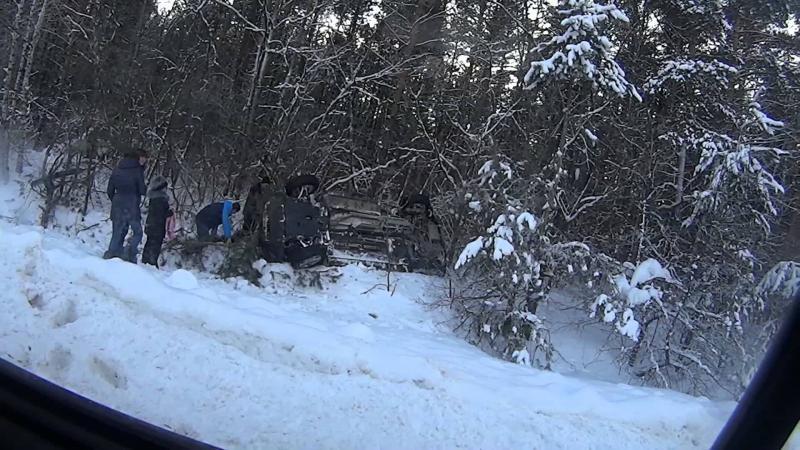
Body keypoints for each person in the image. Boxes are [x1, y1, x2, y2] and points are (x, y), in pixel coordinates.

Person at [104, 150, 147, 262]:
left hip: (117, 204)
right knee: (137, 232)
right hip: (132, 204)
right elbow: (142, 190)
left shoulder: (116, 170)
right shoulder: (137, 171)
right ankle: (129, 252)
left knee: (117, 232)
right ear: (137, 158)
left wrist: (115, 200)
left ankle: (112, 253)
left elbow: (109, 190)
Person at [141, 175, 174, 267]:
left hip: (151, 224)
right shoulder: (161, 199)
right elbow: (160, 213)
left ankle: (145, 260)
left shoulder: (153, 197)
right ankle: (151, 263)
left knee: (149, 242)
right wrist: (169, 213)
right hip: (157, 226)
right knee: (155, 245)